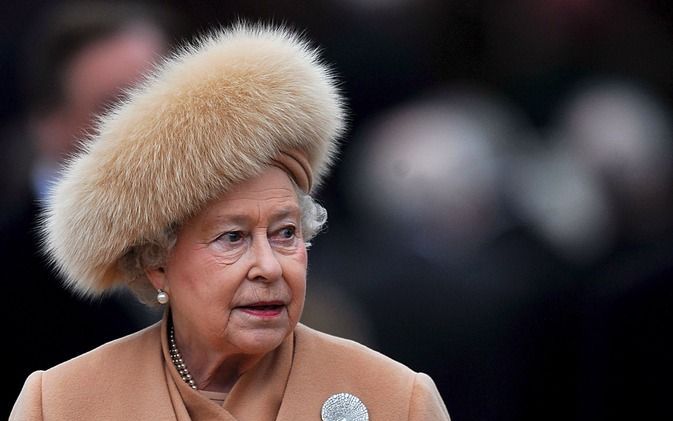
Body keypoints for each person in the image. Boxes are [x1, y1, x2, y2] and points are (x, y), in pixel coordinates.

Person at [10, 24, 450, 420]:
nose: (270, 266)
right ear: (156, 263)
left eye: (285, 234)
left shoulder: (396, 399)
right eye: (233, 237)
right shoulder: (63, 403)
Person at [1, 2, 173, 417]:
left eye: (162, 96)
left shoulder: (234, 235)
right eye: (116, 105)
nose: (148, 127)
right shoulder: (11, 280)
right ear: (49, 124)